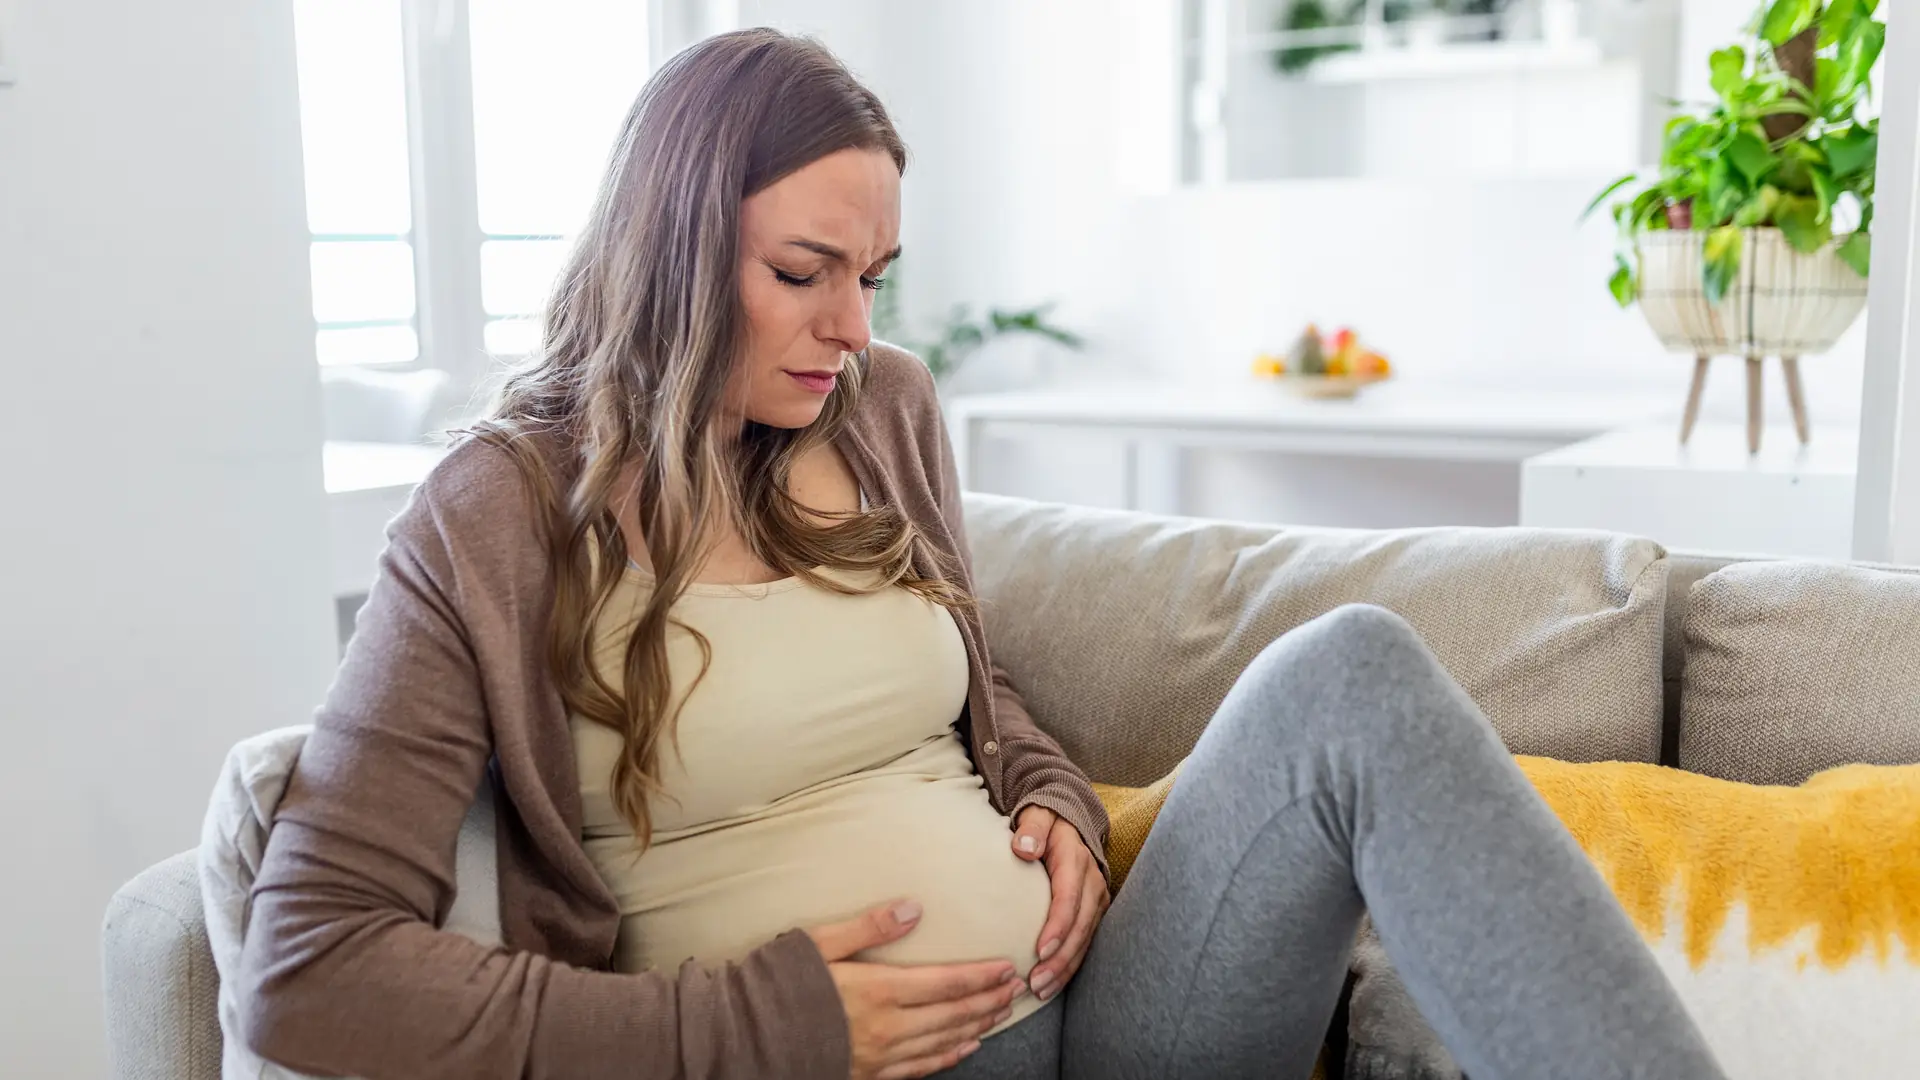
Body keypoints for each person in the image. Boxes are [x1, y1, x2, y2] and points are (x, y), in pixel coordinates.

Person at [236, 28, 1727, 1080]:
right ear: (670, 250)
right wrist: (745, 1032)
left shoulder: (881, 408)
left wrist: (1051, 795)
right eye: (802, 274)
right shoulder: (494, 513)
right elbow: (307, 970)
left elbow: (971, 687)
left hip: (1102, 1013)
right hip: (811, 1063)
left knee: (1354, 673)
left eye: (873, 278)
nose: (854, 329)